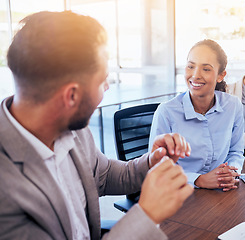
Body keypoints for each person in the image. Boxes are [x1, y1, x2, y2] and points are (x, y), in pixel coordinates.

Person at [0, 11, 194, 240]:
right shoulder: (6, 188)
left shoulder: (73, 129)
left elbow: (103, 174)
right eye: (103, 80)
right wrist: (146, 215)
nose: (108, 87)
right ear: (71, 96)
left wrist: (152, 161)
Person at [149, 39, 244, 191]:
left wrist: (231, 172)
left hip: (221, 190)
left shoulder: (233, 105)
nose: (195, 75)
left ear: (221, 75)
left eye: (206, 69)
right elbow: (157, 168)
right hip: (178, 191)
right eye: (191, 66)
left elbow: (236, 151)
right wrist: (199, 180)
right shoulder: (166, 112)